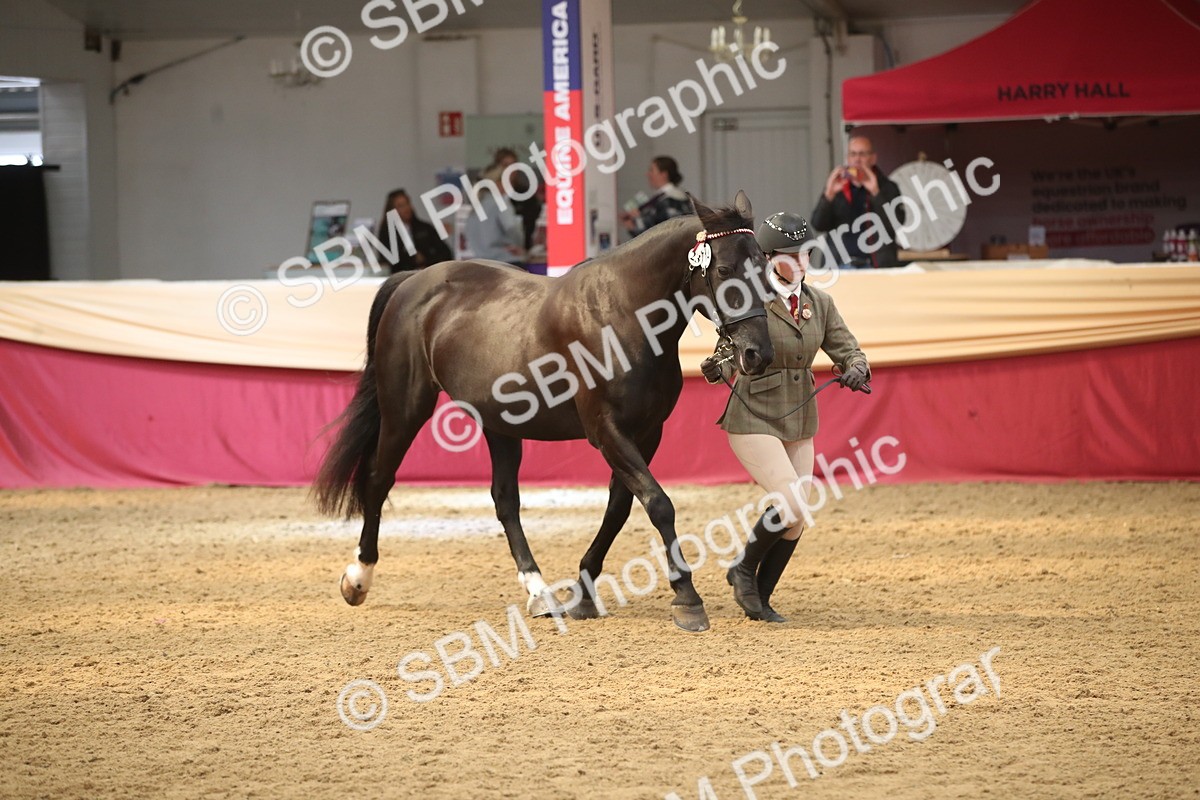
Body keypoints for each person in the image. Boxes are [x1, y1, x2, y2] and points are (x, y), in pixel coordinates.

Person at [701, 211, 871, 622]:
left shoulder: (820, 303)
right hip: (753, 414)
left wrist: (856, 367)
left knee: (797, 517)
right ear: (767, 258)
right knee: (790, 501)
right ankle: (743, 569)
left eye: (805, 254)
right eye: (790, 256)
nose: (800, 262)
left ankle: (761, 599)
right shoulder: (748, 301)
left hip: (799, 416)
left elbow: (848, 348)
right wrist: (718, 367)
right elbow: (730, 354)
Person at [811, 135, 905, 269]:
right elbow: (818, 224)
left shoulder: (888, 187)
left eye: (862, 154)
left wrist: (876, 193)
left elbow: (896, 223)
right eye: (853, 154)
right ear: (847, 158)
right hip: (839, 266)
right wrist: (828, 194)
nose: (857, 159)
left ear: (873, 158)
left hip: (876, 267)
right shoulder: (838, 187)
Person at [376, 189, 453, 273]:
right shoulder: (386, 233)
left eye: (407, 203)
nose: (406, 208)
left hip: (427, 274)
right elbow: (386, 260)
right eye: (401, 206)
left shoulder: (425, 229)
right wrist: (412, 258)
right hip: (399, 276)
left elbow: (445, 253)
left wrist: (426, 260)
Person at [464, 166, 526, 267]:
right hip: (505, 263)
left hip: (481, 264)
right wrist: (519, 245)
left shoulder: (476, 207)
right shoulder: (501, 203)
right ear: (497, 183)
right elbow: (511, 227)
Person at [620, 156, 691, 236]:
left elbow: (667, 234)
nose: (647, 174)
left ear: (663, 174)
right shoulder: (663, 198)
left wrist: (636, 223)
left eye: (651, 170)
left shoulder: (671, 200)